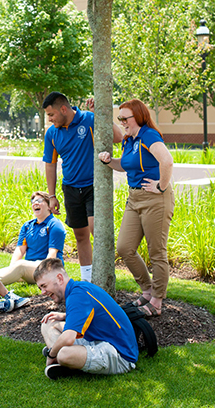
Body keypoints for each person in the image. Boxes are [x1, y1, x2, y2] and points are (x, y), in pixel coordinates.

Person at [98, 99, 174, 318]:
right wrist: (108, 160)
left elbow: (167, 162)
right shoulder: (129, 139)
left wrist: (161, 186)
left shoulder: (148, 135)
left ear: (138, 116)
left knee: (157, 252)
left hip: (155, 200)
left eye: (125, 118)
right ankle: (147, 290)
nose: (121, 122)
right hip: (134, 198)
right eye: (119, 118)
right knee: (124, 248)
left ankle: (157, 301)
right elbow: (124, 165)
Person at [42, 92, 123, 282]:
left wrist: (101, 116)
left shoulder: (89, 119)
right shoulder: (52, 133)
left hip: (93, 186)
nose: (50, 119)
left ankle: (105, 276)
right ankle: (88, 278)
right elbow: (50, 164)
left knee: (97, 230)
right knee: (80, 235)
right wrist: (51, 196)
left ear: (63, 109)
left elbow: (119, 137)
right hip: (70, 188)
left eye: (51, 115)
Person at [34, 258, 138, 380]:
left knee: (64, 354)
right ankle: (63, 360)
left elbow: (68, 338)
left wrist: (50, 354)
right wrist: (63, 316)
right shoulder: (78, 289)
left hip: (120, 355)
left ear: (60, 278)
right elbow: (90, 313)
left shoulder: (77, 295)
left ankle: (60, 360)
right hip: (98, 340)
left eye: (44, 286)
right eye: (40, 288)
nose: (42, 292)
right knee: (48, 323)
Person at [0, 191, 66, 285]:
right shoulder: (27, 226)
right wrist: (11, 269)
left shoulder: (55, 225)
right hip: (29, 269)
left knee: (21, 265)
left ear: (49, 206)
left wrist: (43, 274)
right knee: (18, 267)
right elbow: (20, 250)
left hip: (48, 269)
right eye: (33, 201)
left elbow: (52, 255)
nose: (35, 203)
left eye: (39, 201)